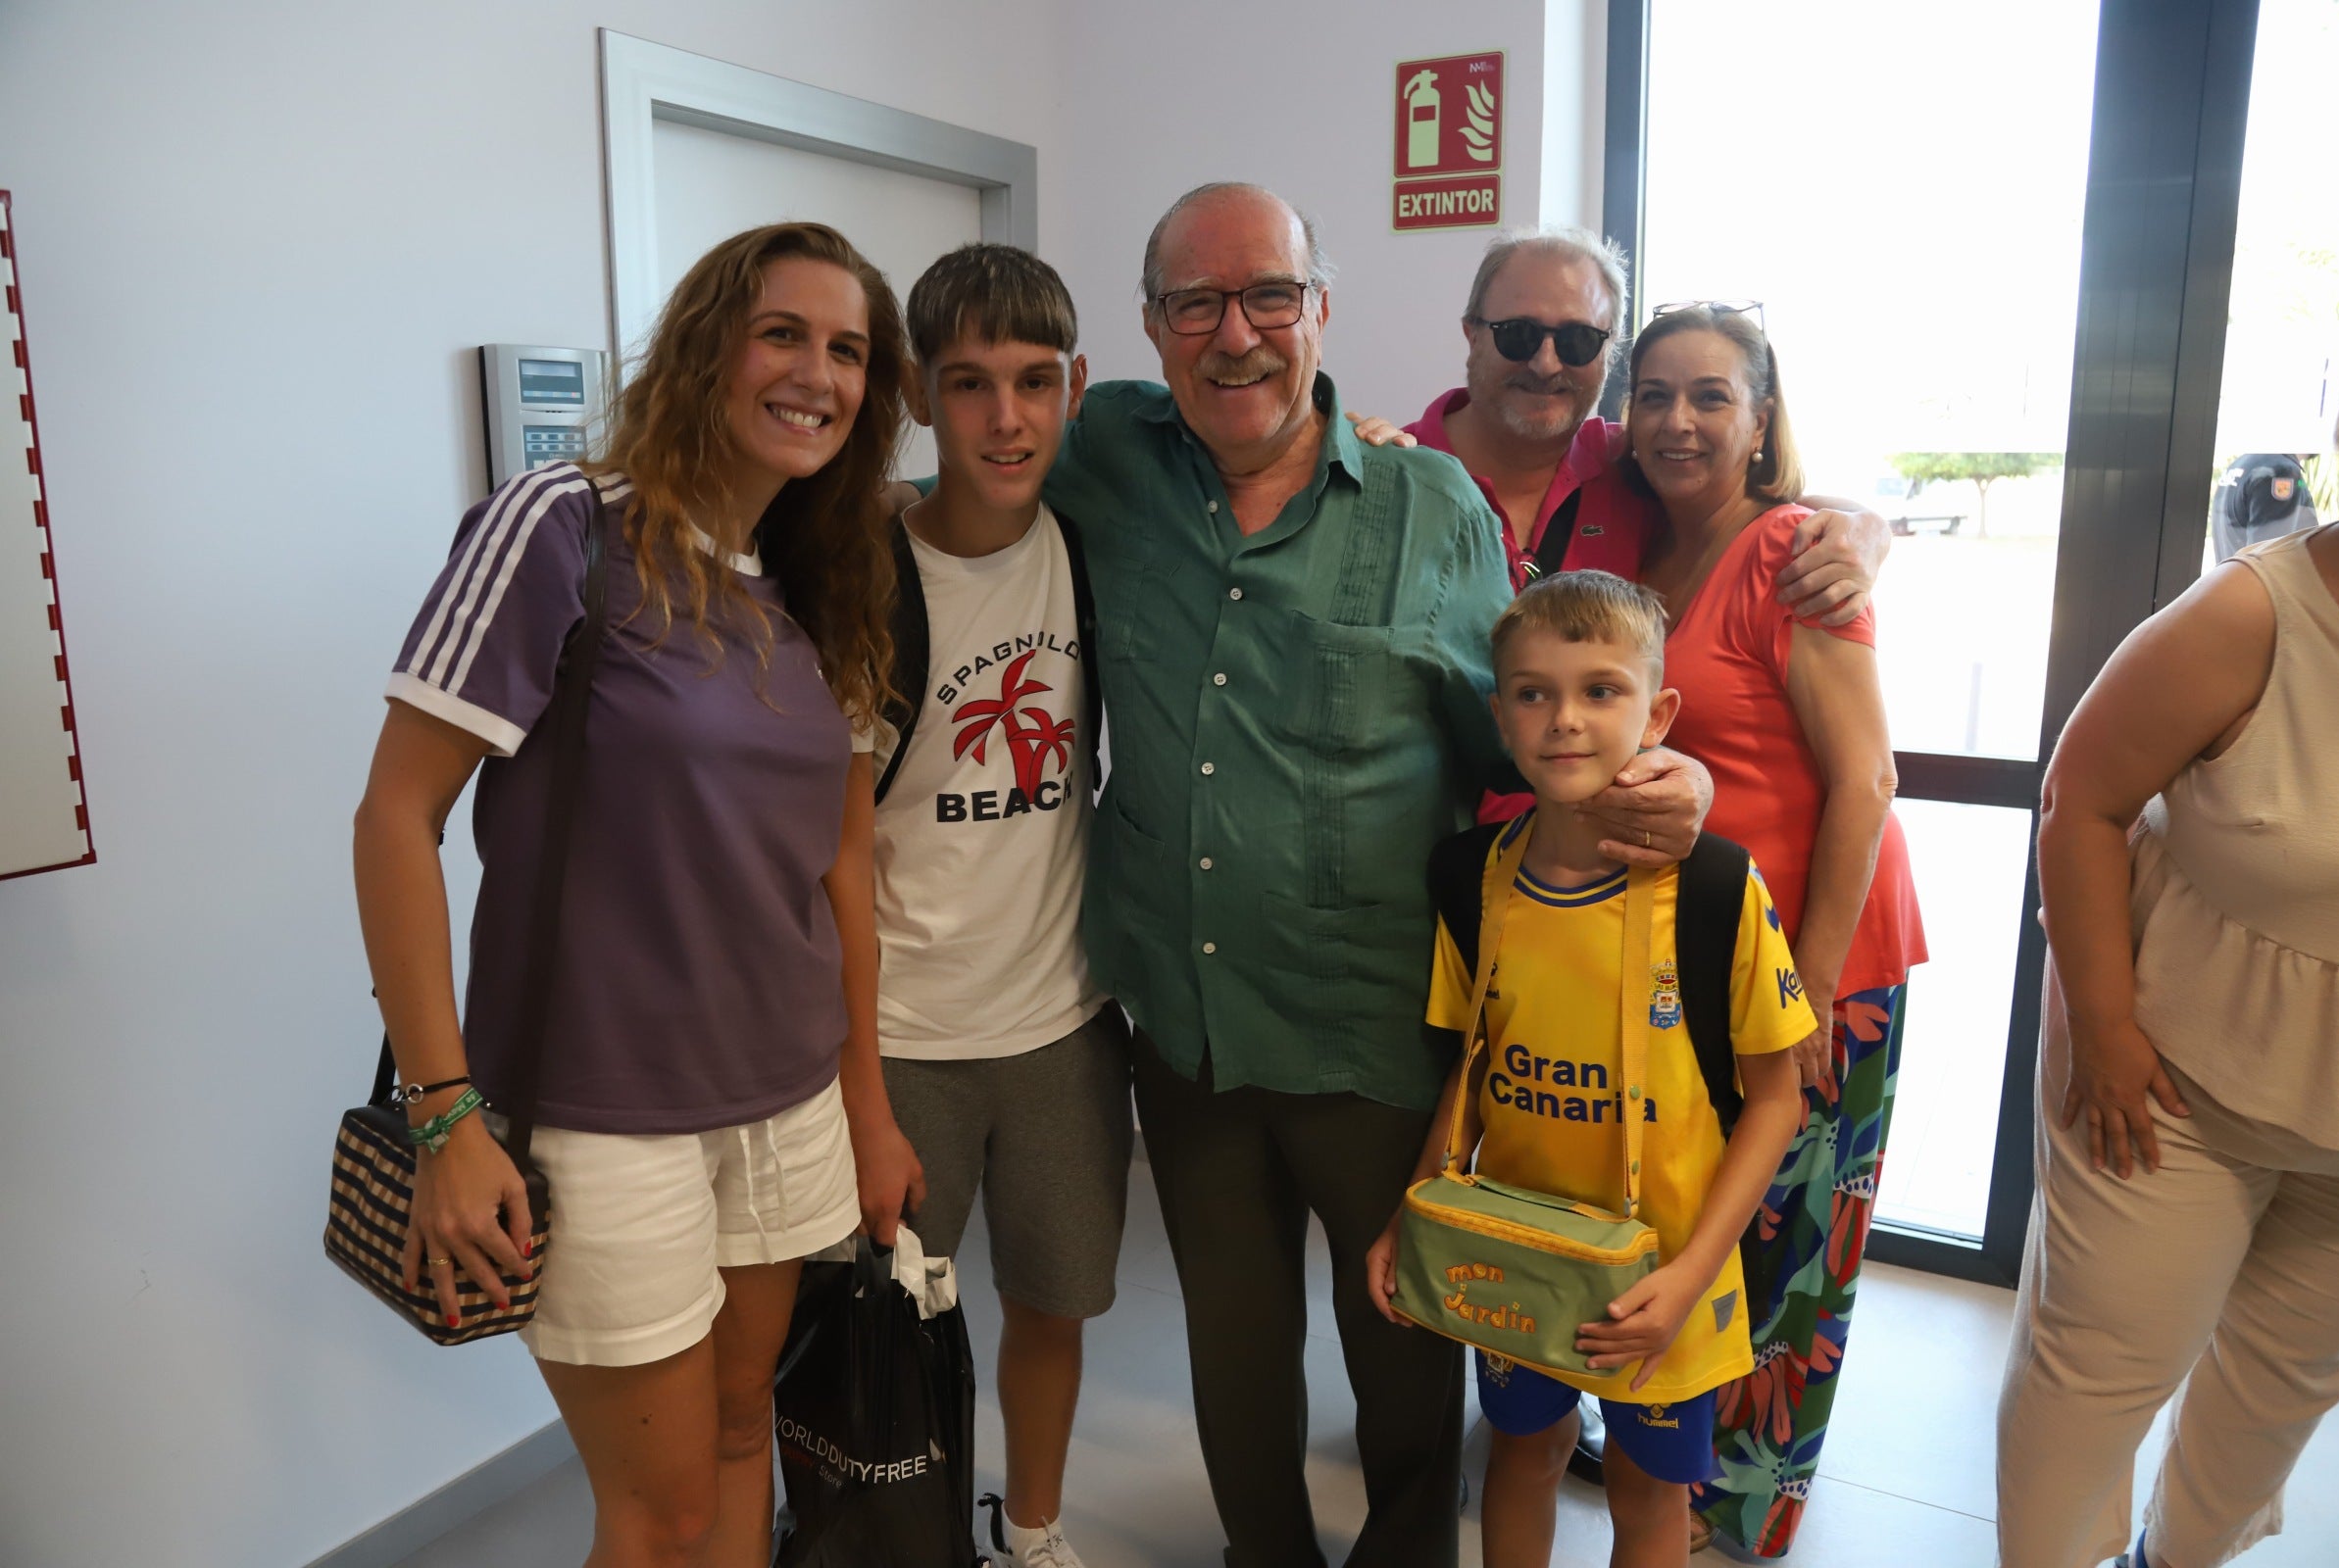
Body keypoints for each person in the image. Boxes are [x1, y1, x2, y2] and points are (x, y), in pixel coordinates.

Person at [1019, 181, 1712, 1567]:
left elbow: (1516, 727)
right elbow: (946, 500)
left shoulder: (1428, 504)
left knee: (1408, 1334)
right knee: (1234, 1336)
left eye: (1269, 296)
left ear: (1319, 310)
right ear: (1150, 329)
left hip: (1380, 1023)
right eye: (1196, 304)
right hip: (1190, 1022)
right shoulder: (1101, 454)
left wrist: (1667, 778)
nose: (1237, 336)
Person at [352, 221, 923, 1568]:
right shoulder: (565, 530)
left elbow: (839, 865)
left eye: (848, 352)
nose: (817, 374)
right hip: (604, 1124)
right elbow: (394, 817)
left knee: (740, 1448)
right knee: (655, 1514)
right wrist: (444, 1117)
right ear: (706, 348)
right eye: (783, 333)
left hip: (784, 1105)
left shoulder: (825, 589)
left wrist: (868, 1106)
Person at [1366, 570, 1811, 1568]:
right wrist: (1414, 1210)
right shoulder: (1473, 879)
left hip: (1664, 1280)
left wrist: (1693, 1275)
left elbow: (1779, 1099)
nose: (1564, 719)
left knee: (1648, 1490)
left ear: (1657, 714)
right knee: (1522, 1454)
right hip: (1515, 1254)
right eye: (1533, 692)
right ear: (1500, 713)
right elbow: (1468, 1077)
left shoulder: (1711, 889)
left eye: (1600, 690)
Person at [1995, 392, 2339, 1568]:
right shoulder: (2256, 613)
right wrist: (2102, 1027)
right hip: (2168, 1080)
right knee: (2098, 1364)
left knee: (2279, 1394)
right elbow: (2081, 800)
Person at [1607, 305, 1927, 1557]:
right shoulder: (1650, 554)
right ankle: (1679, 1483)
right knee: (1716, 1234)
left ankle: (1737, 1525)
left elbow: (1868, 782)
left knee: (1789, 1259)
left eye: (1709, 397)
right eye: (1653, 396)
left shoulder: (1791, 550)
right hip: (1714, 964)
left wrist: (1811, 989)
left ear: (1759, 420)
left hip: (1821, 967)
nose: (1677, 420)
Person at [874, 243, 1126, 1568]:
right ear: (919, 394)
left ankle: (1032, 1535)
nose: (1007, 417)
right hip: (896, 1035)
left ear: (1077, 387)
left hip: (1061, 1028)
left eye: (1036, 381)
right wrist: (852, 1086)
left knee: (1054, 1304)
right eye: (969, 384)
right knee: (887, 1329)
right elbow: (816, 857)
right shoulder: (857, 574)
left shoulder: (1091, 553)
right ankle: (893, 1537)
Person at [1394, 228, 1888, 621]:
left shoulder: (1634, 466)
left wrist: (1868, 528)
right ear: (1472, 335)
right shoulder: (1389, 473)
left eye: (1578, 340)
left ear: (1610, 352)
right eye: (1518, 334)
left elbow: (1757, 503)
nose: (1545, 364)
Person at [2208, 451, 2318, 562]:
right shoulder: (2280, 471)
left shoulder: (2242, 463)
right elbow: (2268, 559)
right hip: (2252, 577)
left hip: (2232, 574)